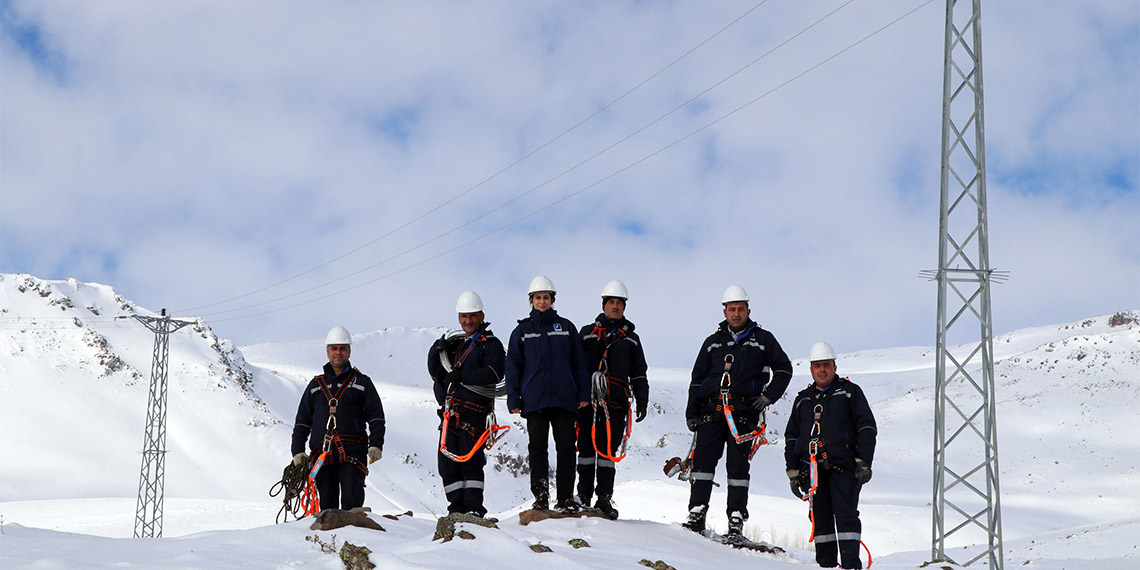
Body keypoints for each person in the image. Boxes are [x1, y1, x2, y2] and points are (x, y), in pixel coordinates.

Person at [682, 285, 793, 538]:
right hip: (711, 412)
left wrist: (768, 397)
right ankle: (697, 513)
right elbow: (697, 379)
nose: (736, 313)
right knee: (703, 464)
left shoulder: (764, 340)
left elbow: (784, 369)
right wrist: (691, 413)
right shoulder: (712, 343)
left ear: (748, 310)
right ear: (724, 311)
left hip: (743, 413)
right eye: (731, 309)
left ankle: (735, 518)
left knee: (738, 467)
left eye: (740, 309)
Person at [785, 341, 877, 569]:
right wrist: (793, 471)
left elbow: (866, 427)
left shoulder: (849, 392)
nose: (822, 370)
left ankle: (850, 566)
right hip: (812, 471)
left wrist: (863, 461)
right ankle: (825, 565)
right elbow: (791, 437)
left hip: (843, 467)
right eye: (817, 366)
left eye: (826, 365)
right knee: (820, 519)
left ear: (834, 367)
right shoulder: (803, 399)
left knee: (846, 516)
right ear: (811, 369)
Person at [505, 275, 590, 512]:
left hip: (564, 398)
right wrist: (514, 397)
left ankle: (565, 498)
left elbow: (579, 363)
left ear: (552, 299)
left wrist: (583, 393)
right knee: (537, 448)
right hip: (534, 399)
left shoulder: (566, 327)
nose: (542, 301)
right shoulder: (521, 331)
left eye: (546, 297)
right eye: (537, 298)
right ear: (531, 300)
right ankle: (541, 496)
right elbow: (512, 366)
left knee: (565, 447)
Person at [427, 290, 506, 518]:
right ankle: (456, 508)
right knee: (447, 463)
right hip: (451, 413)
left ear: (481, 316)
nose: (468, 321)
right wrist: (436, 350)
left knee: (470, 461)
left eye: (472, 316)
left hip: (474, 414)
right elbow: (436, 372)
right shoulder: (454, 346)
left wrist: (464, 376)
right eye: (464, 316)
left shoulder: (490, 345)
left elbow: (494, 372)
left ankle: (473, 509)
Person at [576, 279, 649, 520]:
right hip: (588, 401)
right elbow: (574, 367)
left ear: (624, 306)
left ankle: (604, 498)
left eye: (619, 303)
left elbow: (639, 372)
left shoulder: (631, 339)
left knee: (607, 452)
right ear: (604, 304)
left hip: (616, 402)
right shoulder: (587, 333)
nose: (615, 307)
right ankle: (583, 497)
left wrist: (642, 398)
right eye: (612, 302)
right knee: (586, 449)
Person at [291, 326, 385, 511]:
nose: (338, 352)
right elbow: (302, 421)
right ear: (327, 351)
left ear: (349, 351)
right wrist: (297, 451)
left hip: (352, 452)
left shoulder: (362, 382)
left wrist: (376, 444)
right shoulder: (315, 386)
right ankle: (329, 540)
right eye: (334, 348)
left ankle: (353, 538)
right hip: (322, 455)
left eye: (342, 348)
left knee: (352, 503)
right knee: (327, 507)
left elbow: (376, 417)